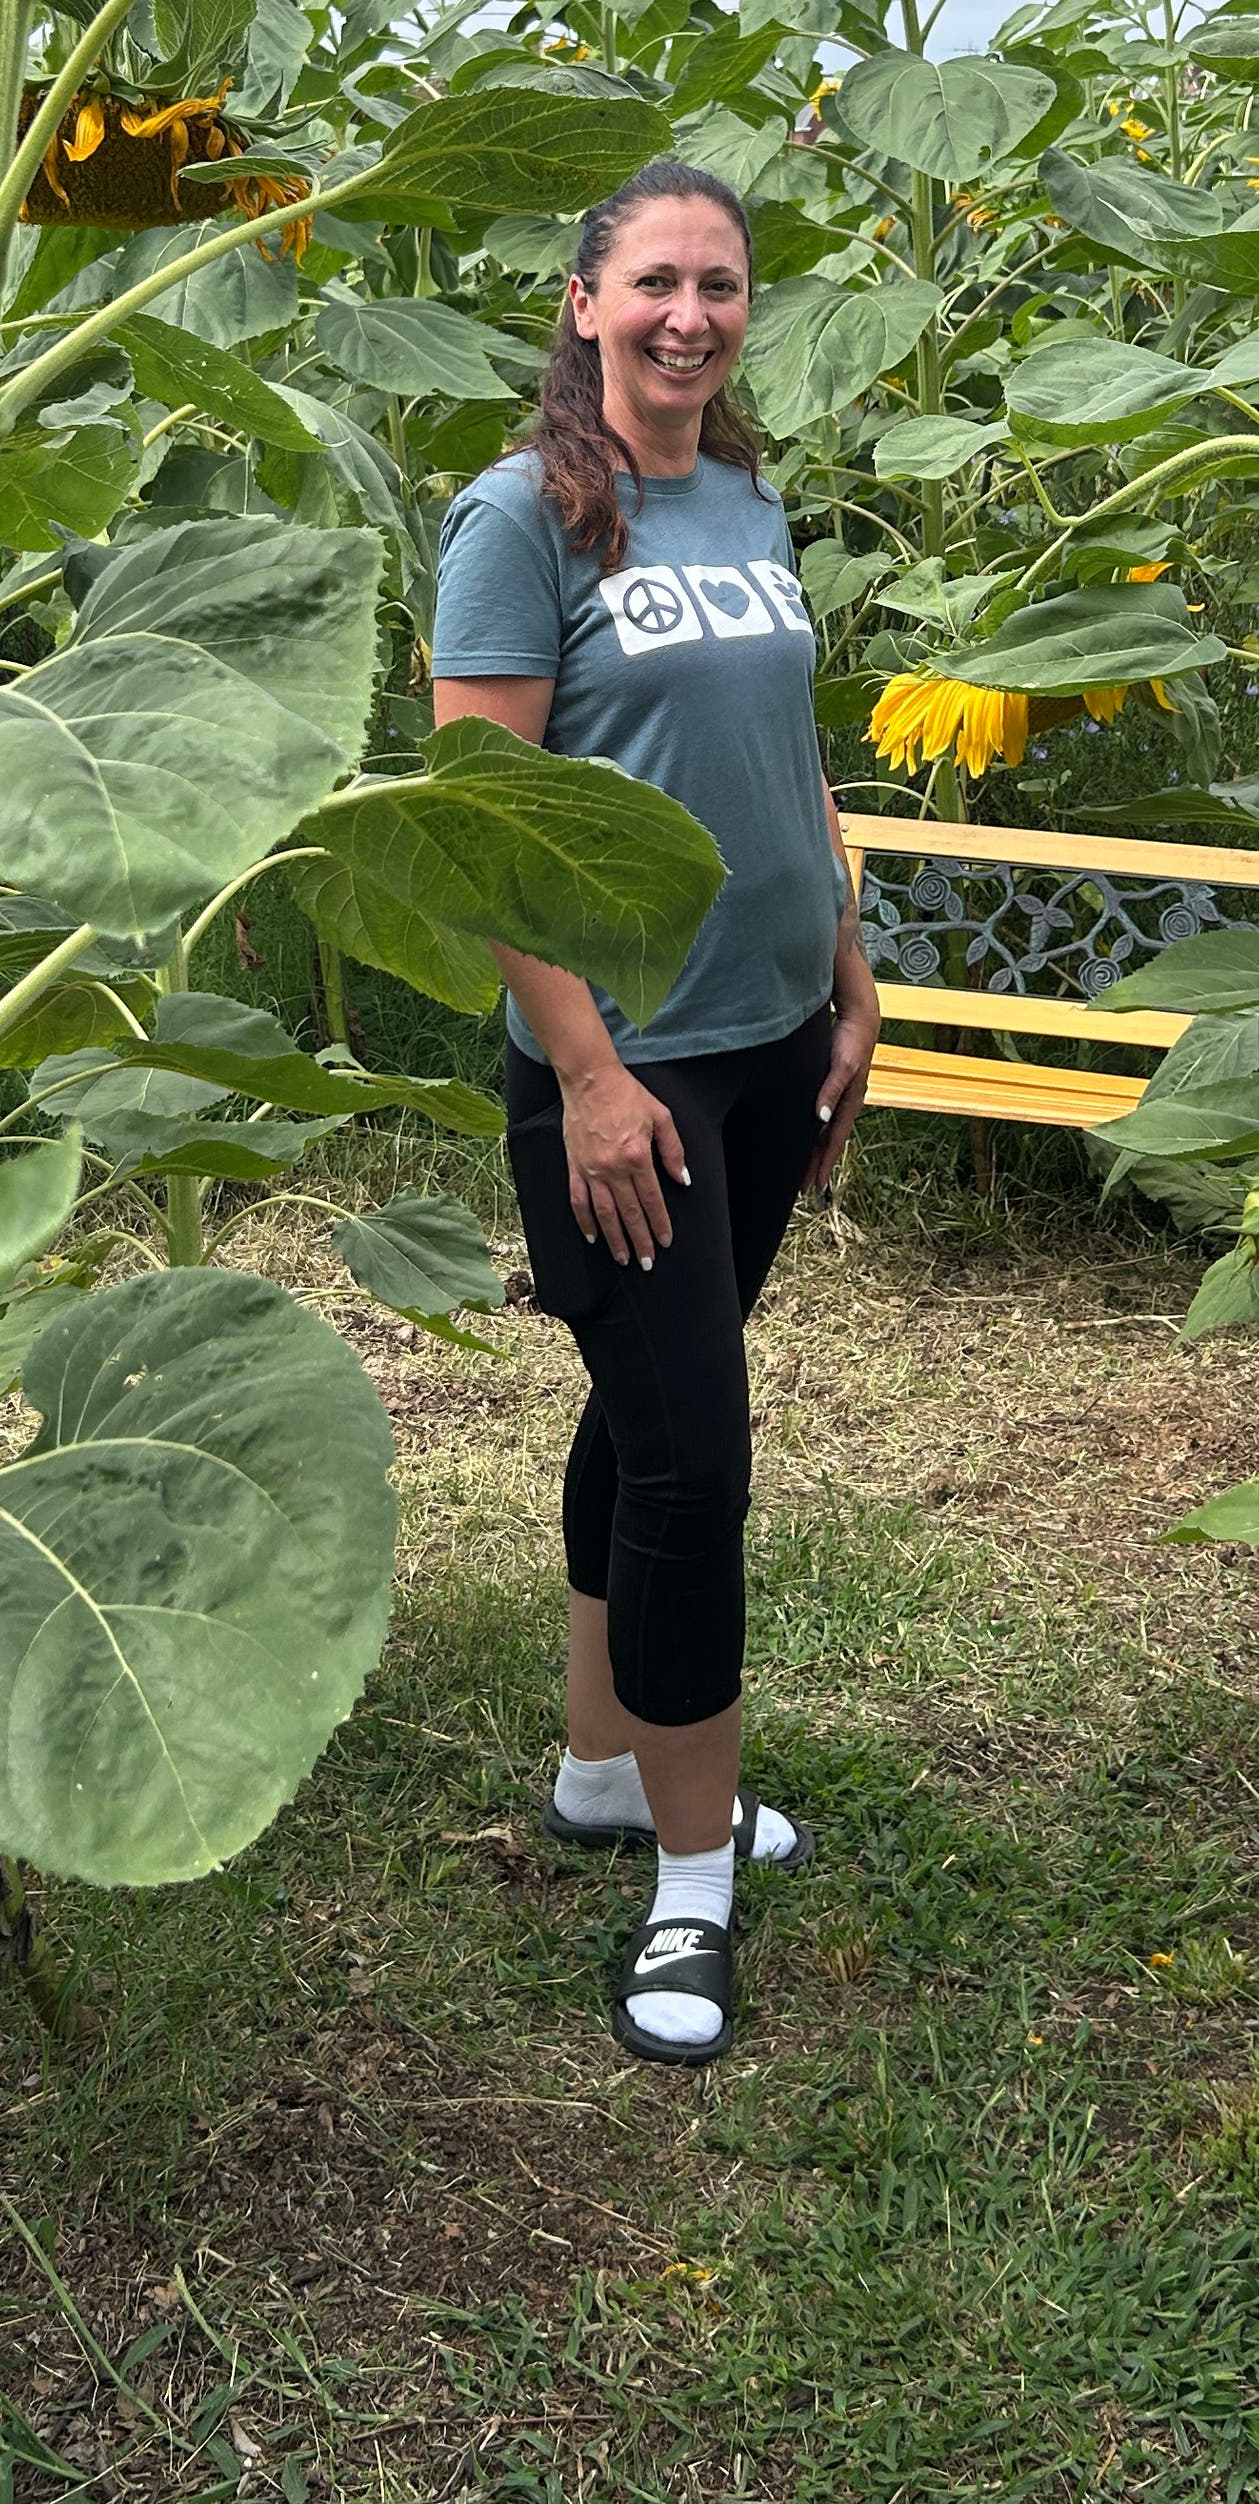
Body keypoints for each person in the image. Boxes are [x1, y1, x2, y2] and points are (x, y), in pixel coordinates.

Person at [429, 159, 881, 2066]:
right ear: (583, 298)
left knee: (650, 1418)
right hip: (631, 1068)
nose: (691, 314)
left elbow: (786, 758)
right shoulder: (521, 517)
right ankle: (690, 1887)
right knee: (701, 1463)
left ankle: (609, 1767)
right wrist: (592, 1068)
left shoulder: (747, 496)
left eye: (722, 285)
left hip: (773, 1033)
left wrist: (850, 977)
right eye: (656, 284)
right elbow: (477, 827)